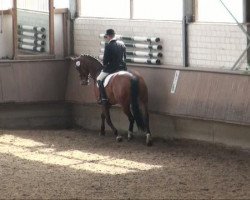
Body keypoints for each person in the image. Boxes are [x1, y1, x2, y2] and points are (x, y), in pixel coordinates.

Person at [97, 28, 127, 105]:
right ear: (114, 35)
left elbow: (105, 61)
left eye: (106, 37)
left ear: (108, 36)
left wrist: (104, 64)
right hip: (123, 68)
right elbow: (124, 57)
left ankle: (103, 98)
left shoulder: (108, 46)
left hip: (112, 68)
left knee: (99, 79)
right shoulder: (122, 44)